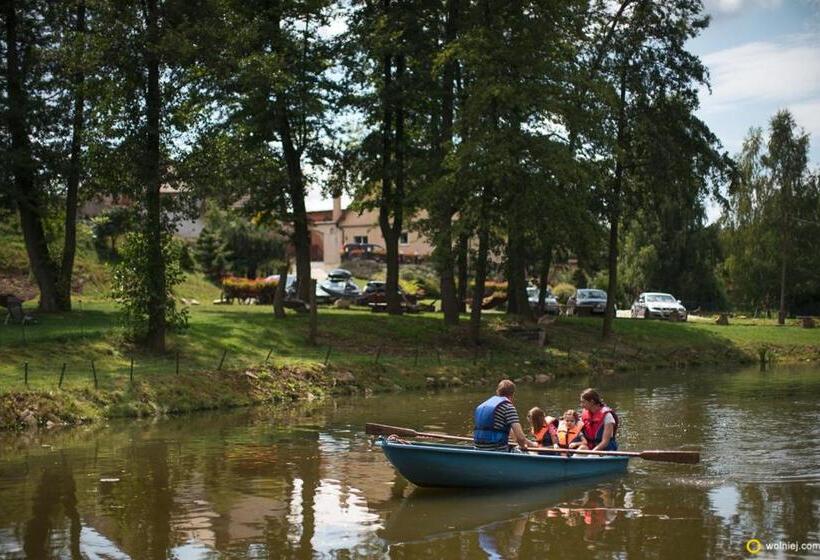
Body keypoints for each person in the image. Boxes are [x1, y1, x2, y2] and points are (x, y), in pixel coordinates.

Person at [474, 379, 531, 452]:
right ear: (512, 394)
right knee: (525, 452)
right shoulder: (508, 407)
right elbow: (520, 438)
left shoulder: (481, 406)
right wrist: (523, 446)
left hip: (478, 449)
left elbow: (513, 435)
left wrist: (531, 444)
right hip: (497, 450)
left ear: (497, 392)